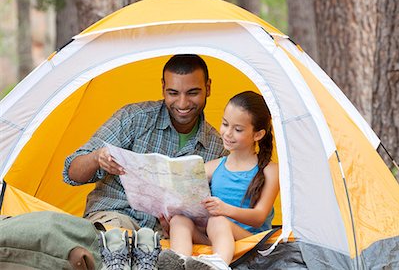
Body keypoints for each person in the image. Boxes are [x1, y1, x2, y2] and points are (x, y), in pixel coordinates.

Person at [63, 54, 227, 231]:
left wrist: (177, 228)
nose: (182, 103)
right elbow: (72, 173)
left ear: (208, 87)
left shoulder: (219, 148)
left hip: (170, 236)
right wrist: (96, 158)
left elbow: (217, 218)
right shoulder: (134, 118)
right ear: (163, 87)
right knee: (115, 239)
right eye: (173, 93)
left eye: (192, 93)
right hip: (115, 217)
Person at [158, 91, 280, 270]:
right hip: (214, 236)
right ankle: (180, 261)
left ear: (258, 135)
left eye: (237, 129)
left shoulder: (270, 170)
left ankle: (217, 265)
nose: (227, 133)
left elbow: (259, 217)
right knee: (179, 219)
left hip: (249, 240)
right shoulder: (212, 167)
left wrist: (225, 209)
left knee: (217, 220)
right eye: (225, 124)